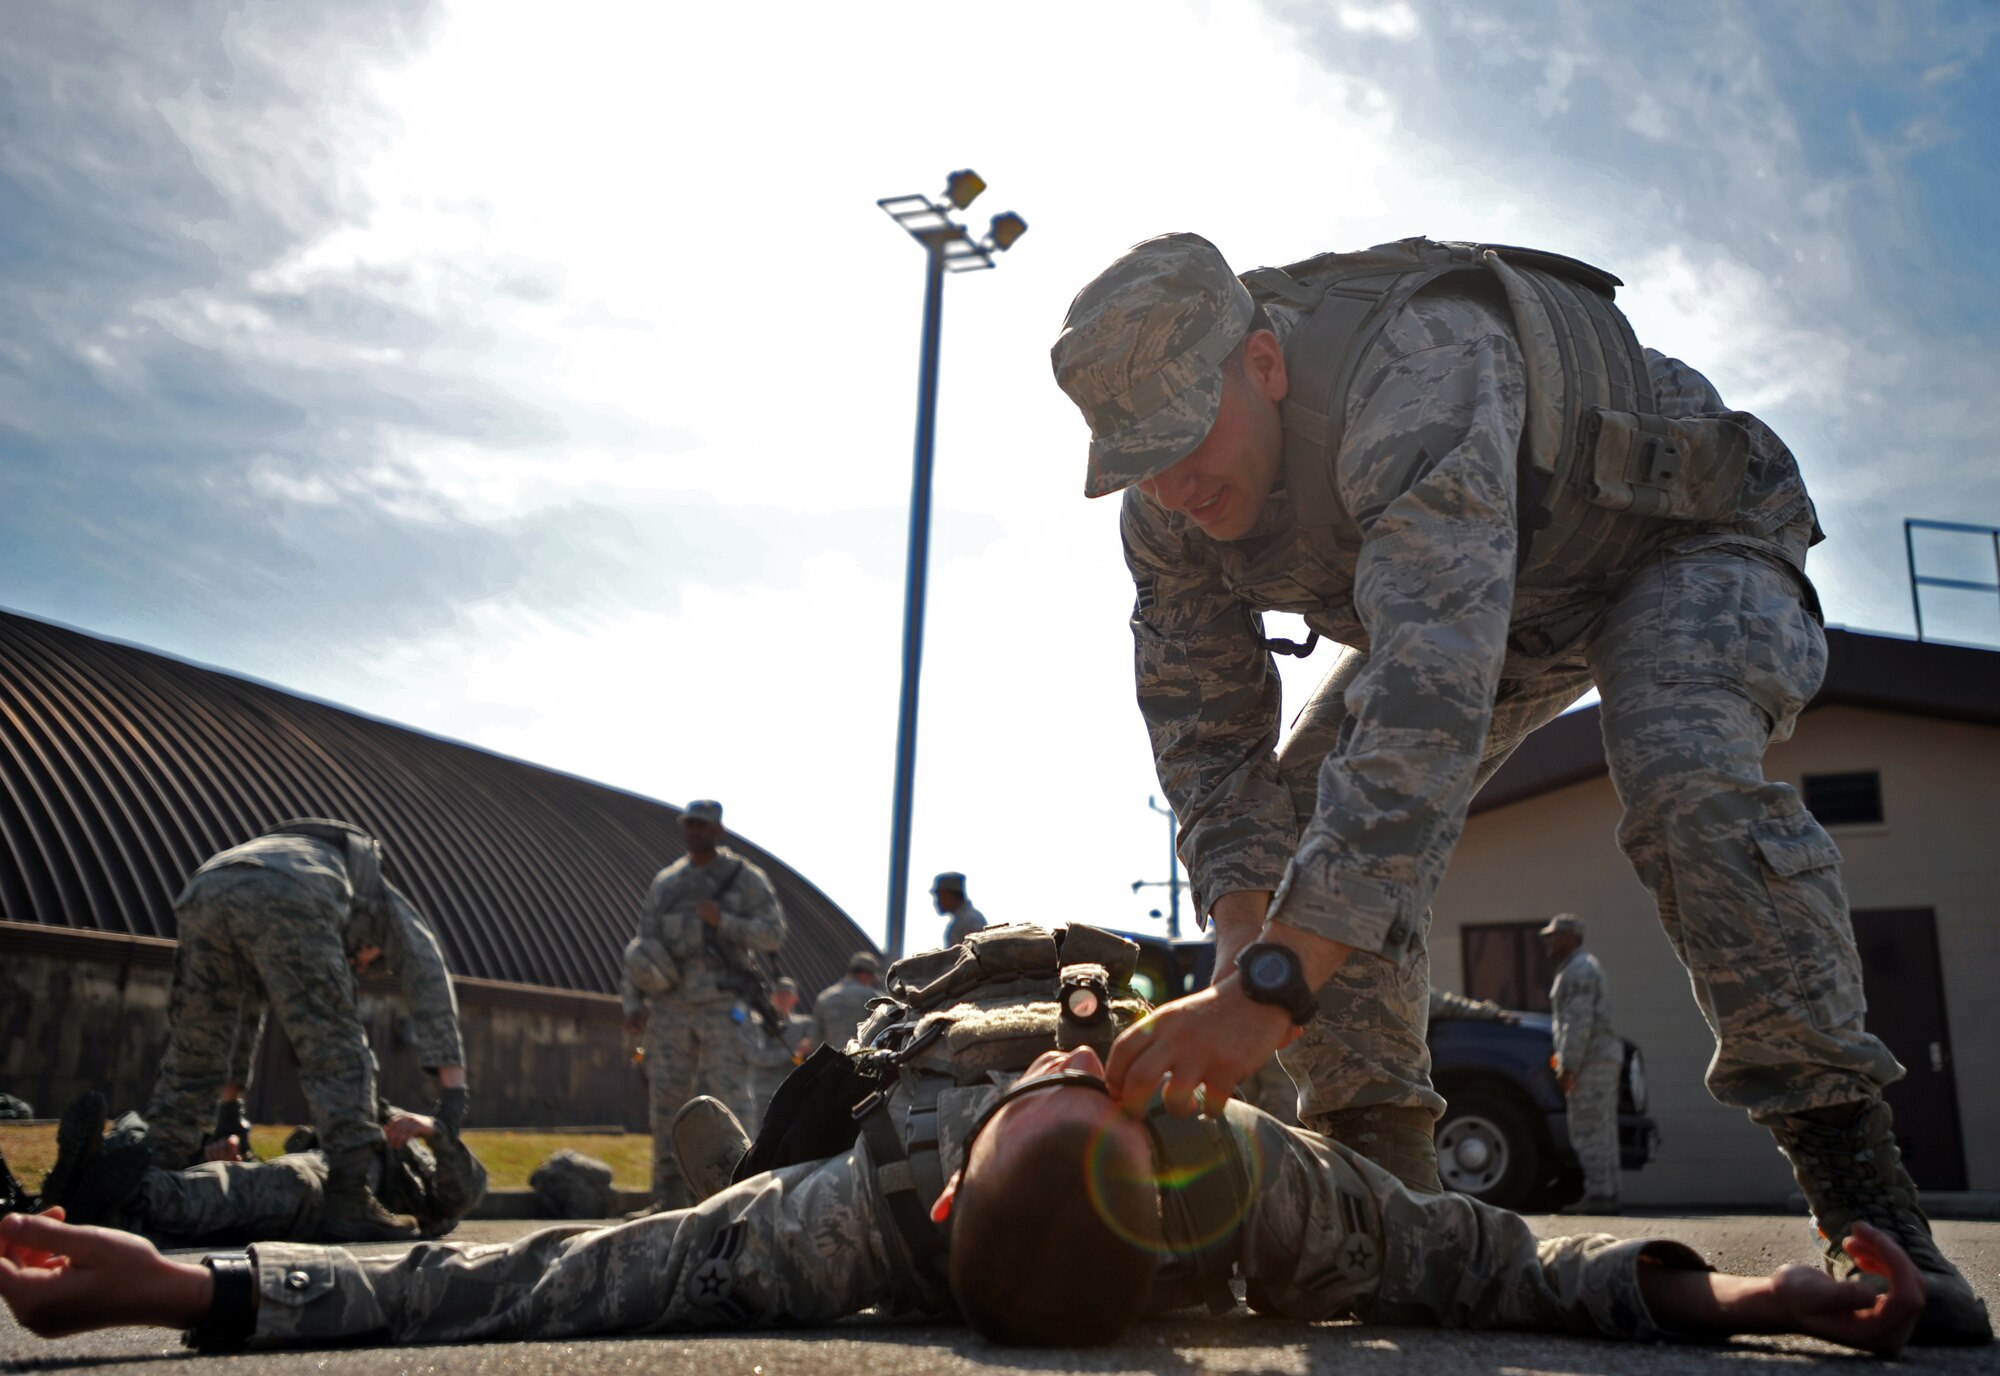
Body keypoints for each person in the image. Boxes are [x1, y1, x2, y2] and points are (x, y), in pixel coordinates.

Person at [1053, 233, 1988, 1343]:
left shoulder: (1418, 368)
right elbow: (1209, 744)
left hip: (1675, 543)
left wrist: (1266, 992)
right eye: (1135, 456)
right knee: (1306, 830)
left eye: (1182, 437)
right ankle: (1386, 1205)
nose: (1168, 481)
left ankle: (1865, 1199)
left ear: (1261, 363)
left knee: (1679, 769)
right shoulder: (1165, 515)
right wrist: (1243, 944)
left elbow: (1420, 708)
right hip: (1500, 604)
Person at [0, 925, 1930, 1357]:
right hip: (1079, 961)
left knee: (742, 1143)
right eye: (1094, 1092)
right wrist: (1777, 1288)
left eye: (1071, 1090)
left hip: (921, 1014)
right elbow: (1508, 1267)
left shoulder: (847, 1215)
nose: (1102, 1070)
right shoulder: (1240, 1174)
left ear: (949, 1170)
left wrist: (208, 1279)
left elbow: (515, 1278)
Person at [144, 819, 468, 1243]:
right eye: (368, 957)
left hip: (207, 884)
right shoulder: (379, 900)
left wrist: (228, 1114)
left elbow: (239, 1017)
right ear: (371, 932)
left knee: (194, 1050)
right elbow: (429, 975)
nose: (362, 966)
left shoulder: (291, 852)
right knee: (337, 1049)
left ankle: (148, 1181)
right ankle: (352, 1198)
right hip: (292, 891)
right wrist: (452, 1100)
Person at [620, 800, 785, 1210]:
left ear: (718, 831)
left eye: (703, 825)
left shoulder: (743, 878)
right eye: (689, 824)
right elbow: (642, 945)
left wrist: (724, 922)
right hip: (671, 1008)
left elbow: (773, 933)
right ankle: (666, 1199)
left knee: (731, 1097)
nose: (694, 831)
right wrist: (634, 1002)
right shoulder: (667, 882)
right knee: (665, 1100)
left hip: (721, 1005)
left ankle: (738, 1194)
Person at [34, 1096, 485, 1245]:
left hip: (345, 1190)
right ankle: (91, 1203)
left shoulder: (431, 1169)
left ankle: (112, 1188)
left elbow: (460, 1195)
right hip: (315, 1177)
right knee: (233, 1185)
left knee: (266, 1185)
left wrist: (434, 1131)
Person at [1540, 914, 1624, 1215]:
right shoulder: (1580, 967)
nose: (1548, 940)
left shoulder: (1577, 970)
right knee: (1600, 1126)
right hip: (1598, 1057)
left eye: (1555, 935)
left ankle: (1600, 1196)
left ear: (1572, 937)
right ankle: (1607, 1193)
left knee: (1590, 1127)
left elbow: (1577, 1023)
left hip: (1590, 1059)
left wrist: (1568, 1065)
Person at [742, 978, 813, 1125]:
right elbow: (757, 1057)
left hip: (792, 1091)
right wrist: (793, 1053)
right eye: (780, 995)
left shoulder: (805, 1025)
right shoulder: (758, 1024)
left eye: (787, 995)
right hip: (763, 1094)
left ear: (795, 999)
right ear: (772, 997)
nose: (783, 999)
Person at [806, 951, 880, 1054]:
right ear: (865, 975)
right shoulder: (872, 997)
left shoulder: (825, 996)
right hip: (860, 1060)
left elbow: (815, 1040)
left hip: (832, 1062)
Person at [931, 873, 987, 947]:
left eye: (939, 896)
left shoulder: (969, 920)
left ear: (950, 895)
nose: (936, 902)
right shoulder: (962, 920)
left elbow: (979, 954)